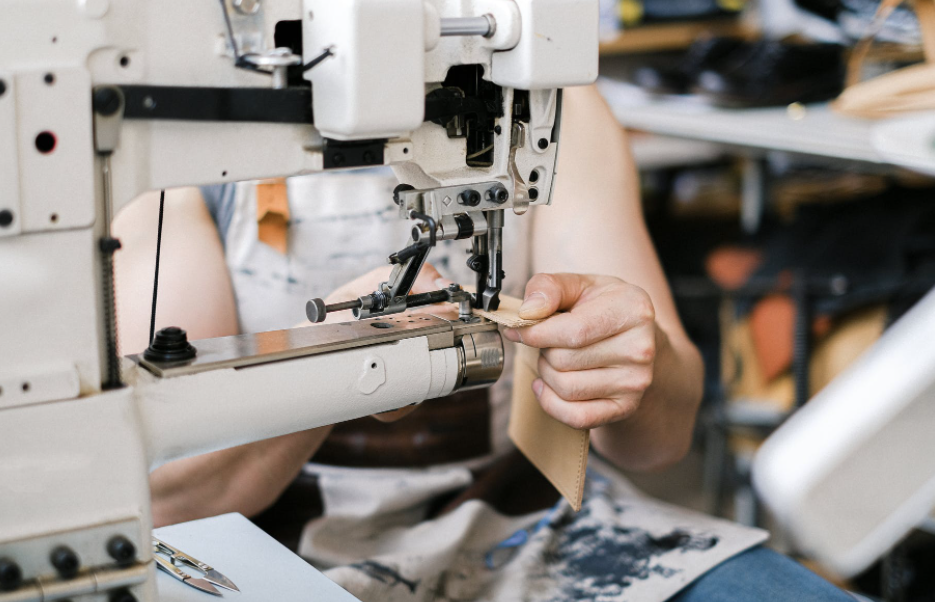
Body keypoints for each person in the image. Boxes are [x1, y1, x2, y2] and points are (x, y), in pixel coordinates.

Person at [114, 86, 855, 601]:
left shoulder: (548, 109)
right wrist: (333, 366)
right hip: (274, 548)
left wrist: (634, 359)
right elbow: (176, 498)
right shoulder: (186, 155)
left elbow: (660, 439)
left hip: (528, 522)